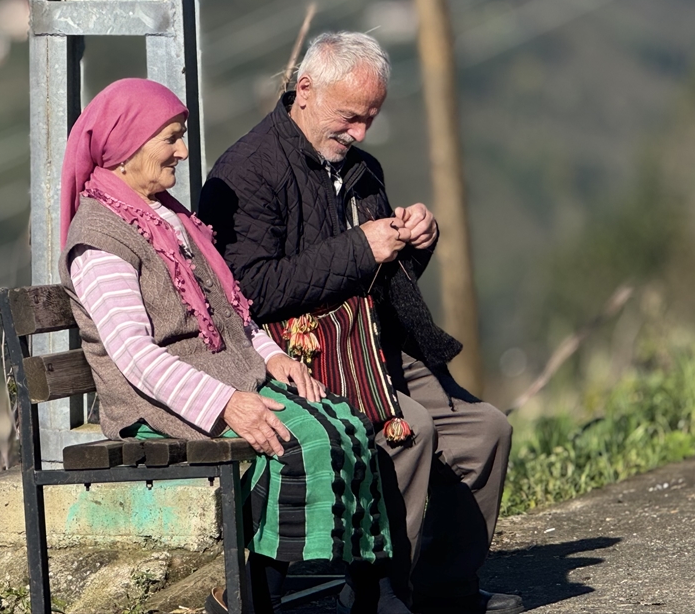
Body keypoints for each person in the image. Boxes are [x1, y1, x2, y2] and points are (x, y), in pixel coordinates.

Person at [57, 77, 408, 614]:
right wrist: (226, 404)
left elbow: (233, 311)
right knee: (300, 441)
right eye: (171, 137)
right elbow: (135, 355)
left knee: (349, 425)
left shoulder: (169, 217)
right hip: (156, 399)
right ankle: (250, 599)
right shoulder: (102, 239)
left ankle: (365, 592)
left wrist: (273, 357)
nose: (183, 150)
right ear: (127, 145)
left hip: (225, 376)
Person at [199, 33, 522, 614]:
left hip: (373, 347)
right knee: (412, 429)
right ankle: (377, 595)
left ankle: (445, 589)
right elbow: (247, 292)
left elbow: (379, 277)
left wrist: (414, 241)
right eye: (350, 117)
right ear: (305, 91)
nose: (360, 134)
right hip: (298, 358)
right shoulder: (249, 171)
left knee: (485, 430)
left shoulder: (360, 170)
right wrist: (359, 249)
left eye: (370, 119)